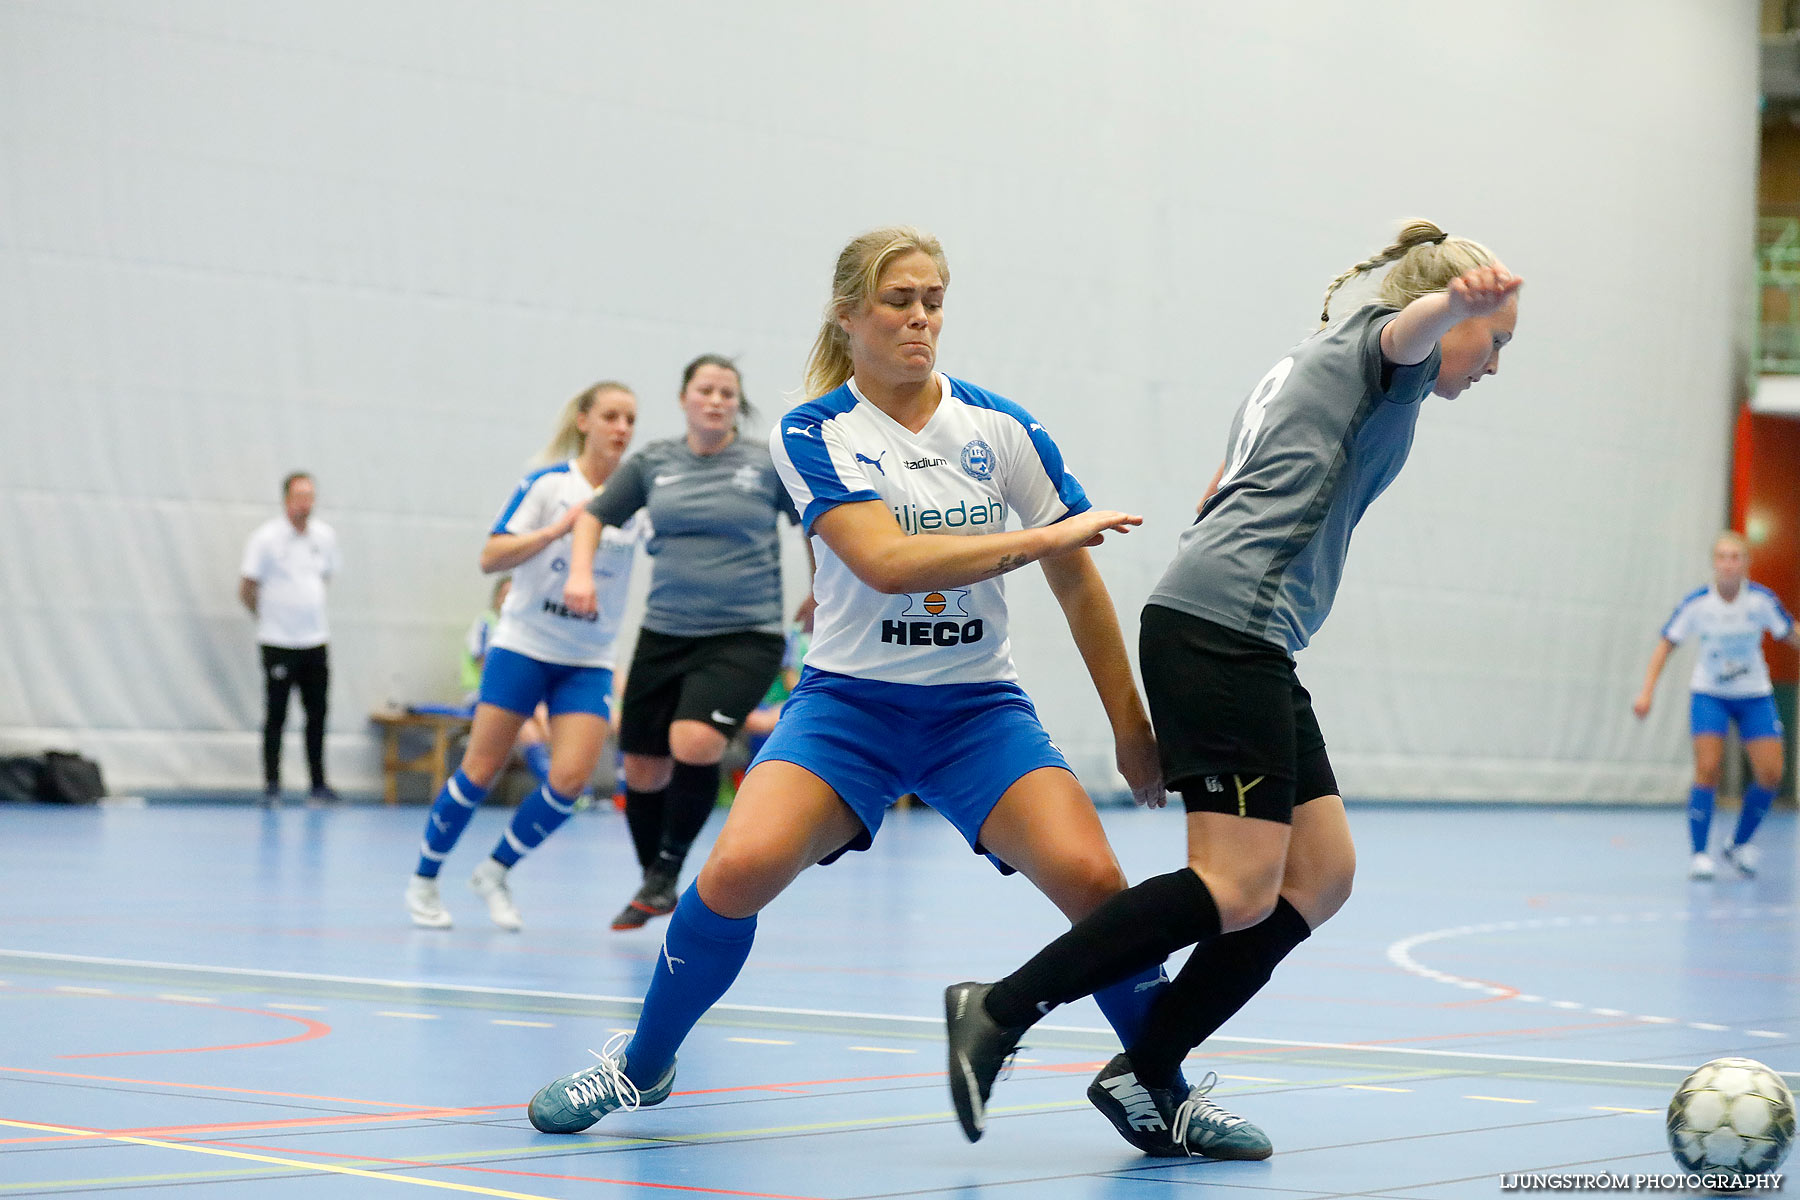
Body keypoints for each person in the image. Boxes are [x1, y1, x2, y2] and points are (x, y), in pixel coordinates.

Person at [524, 225, 1198, 1146]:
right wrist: (1040, 538)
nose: (921, 319)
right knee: (734, 872)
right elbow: (883, 562)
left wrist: (1132, 726)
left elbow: (1081, 578)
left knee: (1095, 881)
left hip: (977, 714)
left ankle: (1158, 1084)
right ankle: (642, 1067)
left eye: (934, 300)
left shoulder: (1001, 426)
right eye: (898, 301)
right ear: (848, 315)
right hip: (849, 710)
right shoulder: (812, 433)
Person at [943, 220, 1523, 1158]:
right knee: (1236, 884)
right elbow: (1403, 332)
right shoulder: (1382, 347)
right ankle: (999, 1010)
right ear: (1450, 307)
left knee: (1320, 874)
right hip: (1227, 633)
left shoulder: (1309, 366)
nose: (1494, 362)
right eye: (1495, 341)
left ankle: (1147, 1068)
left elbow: (1225, 488)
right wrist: (1451, 306)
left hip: (1241, 634)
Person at [561, 355, 807, 933]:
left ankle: (666, 873)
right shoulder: (654, 463)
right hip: (665, 630)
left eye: (727, 392)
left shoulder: (763, 464)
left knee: (693, 740)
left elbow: (814, 521)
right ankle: (658, 879)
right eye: (706, 390)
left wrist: (821, 589)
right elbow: (593, 518)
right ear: (684, 399)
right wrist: (580, 574)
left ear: (736, 404)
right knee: (642, 763)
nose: (716, 400)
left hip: (745, 632)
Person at [403, 381, 641, 931]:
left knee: (570, 781)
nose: (622, 429)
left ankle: (495, 869)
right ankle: (424, 877)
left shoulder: (638, 497)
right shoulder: (548, 485)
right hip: (525, 646)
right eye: (611, 416)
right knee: (482, 767)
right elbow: (491, 556)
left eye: (630, 419)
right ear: (584, 421)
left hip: (589, 657)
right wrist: (560, 528)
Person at [1633, 531, 1799, 879]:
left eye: (1735, 557)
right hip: (1710, 694)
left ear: (1745, 564)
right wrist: (1647, 691)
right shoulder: (1697, 604)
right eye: (1722, 557)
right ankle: (1699, 854)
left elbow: (1788, 632)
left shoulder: (1760, 601)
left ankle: (1738, 844)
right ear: (1714, 563)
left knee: (1770, 773)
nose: (1728, 563)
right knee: (1708, 768)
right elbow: (1666, 644)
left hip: (1754, 695)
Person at [239, 471, 341, 807]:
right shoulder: (266, 539)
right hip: (278, 641)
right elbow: (247, 588)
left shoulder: (323, 537)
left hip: (314, 639)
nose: (305, 503)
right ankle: (271, 785)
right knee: (276, 715)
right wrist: (269, 618)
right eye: (299, 496)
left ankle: (318, 785)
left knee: (317, 714)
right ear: (286, 499)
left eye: (310, 496)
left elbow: (323, 579)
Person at [461, 577, 554, 789]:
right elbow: (486, 667)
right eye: (504, 595)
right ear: (496, 598)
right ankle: (557, 790)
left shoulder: (529, 630)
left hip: (520, 697)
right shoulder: (486, 623)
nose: (508, 600)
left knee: (548, 723)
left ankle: (565, 787)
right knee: (527, 729)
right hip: (484, 697)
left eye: (514, 595)